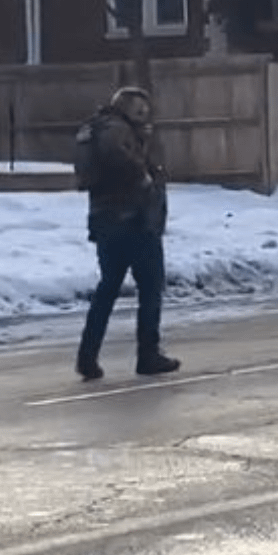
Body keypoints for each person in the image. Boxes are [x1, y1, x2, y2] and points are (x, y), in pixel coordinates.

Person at [75, 85, 180, 380]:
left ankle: (87, 356)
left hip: (104, 220)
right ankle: (148, 354)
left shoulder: (94, 129)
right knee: (150, 287)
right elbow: (117, 156)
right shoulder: (117, 130)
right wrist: (143, 176)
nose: (145, 116)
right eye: (141, 110)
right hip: (134, 220)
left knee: (108, 288)